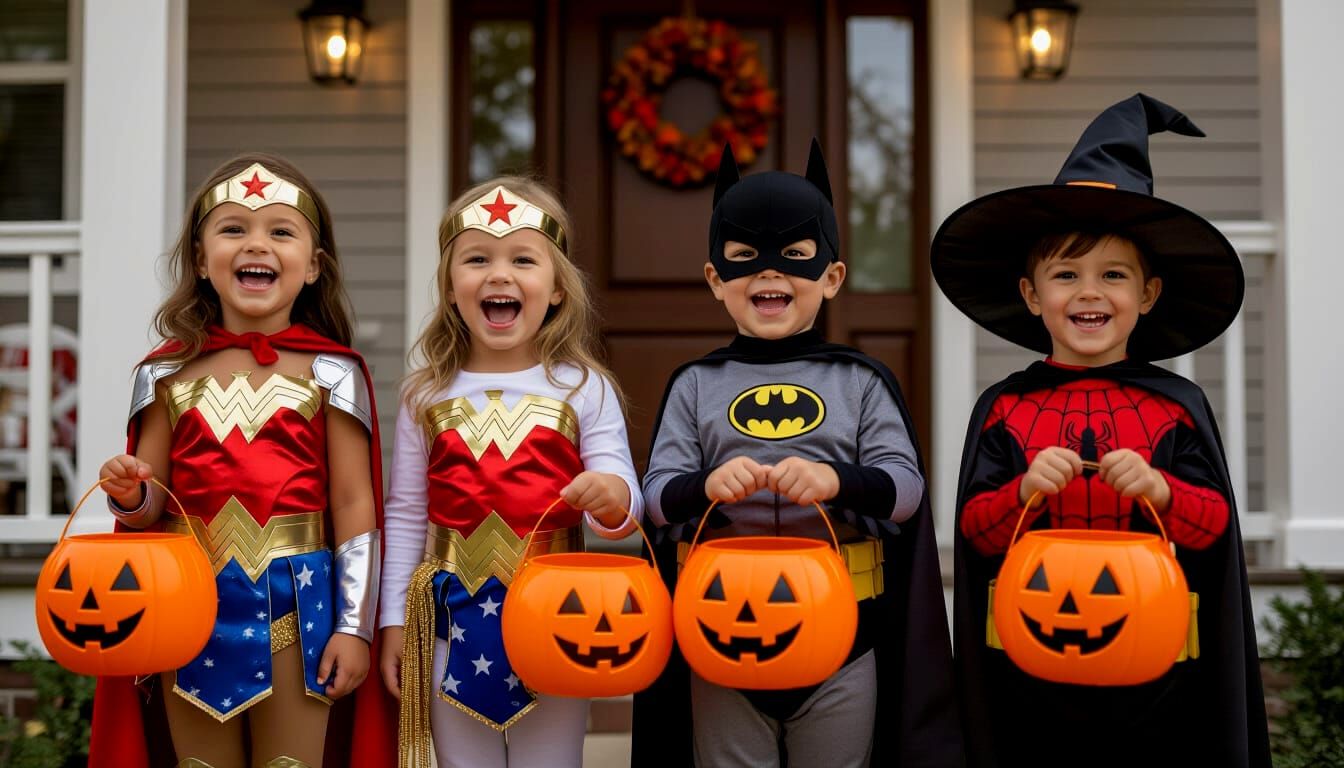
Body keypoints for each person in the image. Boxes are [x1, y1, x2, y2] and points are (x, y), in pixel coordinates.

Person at [932, 94, 1271, 768]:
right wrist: (1023, 491)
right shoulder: (1005, 408)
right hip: (1031, 664)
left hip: (1160, 669)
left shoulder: (1176, 406)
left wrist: (1162, 490)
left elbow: (1216, 529)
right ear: (1033, 296)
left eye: (1113, 275)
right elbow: (973, 531)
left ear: (1147, 295)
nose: (1090, 293)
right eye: (1066, 275)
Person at [631, 141, 962, 768]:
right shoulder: (695, 384)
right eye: (743, 260)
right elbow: (655, 497)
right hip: (723, 623)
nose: (769, 274)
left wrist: (835, 479)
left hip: (844, 624)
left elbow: (906, 488)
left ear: (831, 277)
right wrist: (705, 485)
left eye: (796, 258)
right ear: (716, 281)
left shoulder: (860, 382)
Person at [88, 153, 396, 768]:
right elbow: (151, 510)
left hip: (301, 611)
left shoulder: (334, 372)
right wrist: (130, 495)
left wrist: (356, 626)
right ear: (202, 261)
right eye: (234, 229)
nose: (257, 243)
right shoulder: (164, 374)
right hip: (186, 613)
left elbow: (355, 502)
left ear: (313, 266)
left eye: (281, 231)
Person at [377, 177, 643, 768]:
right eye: (477, 259)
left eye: (523, 259)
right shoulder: (426, 393)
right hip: (449, 623)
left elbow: (628, 505)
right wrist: (394, 620)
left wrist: (609, 494)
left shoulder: (582, 387)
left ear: (556, 291)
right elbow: (404, 514)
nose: (499, 275)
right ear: (451, 288)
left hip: (558, 623)